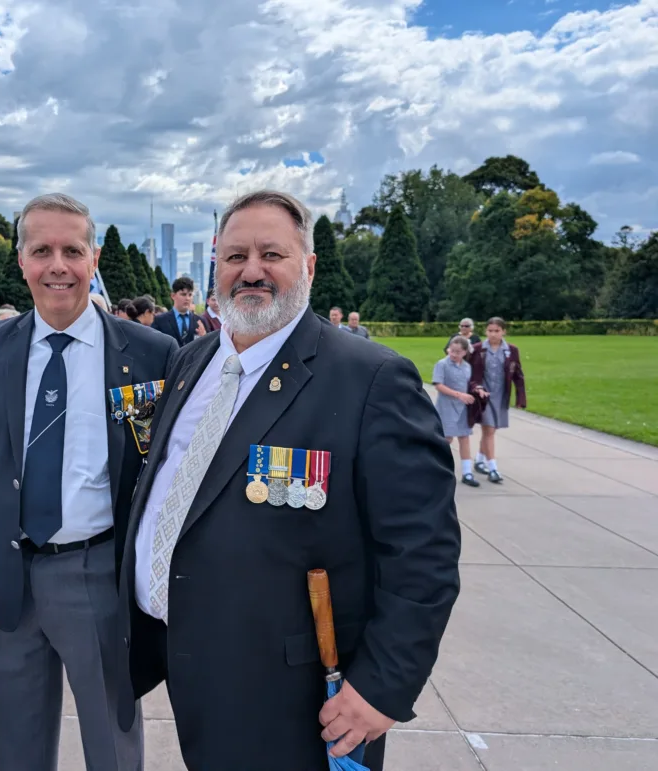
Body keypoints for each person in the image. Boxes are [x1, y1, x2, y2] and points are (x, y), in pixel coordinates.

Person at [116, 190, 461, 771]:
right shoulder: (190, 362)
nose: (251, 270)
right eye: (234, 256)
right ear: (215, 269)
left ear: (309, 265)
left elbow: (422, 553)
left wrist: (381, 687)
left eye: (271, 253)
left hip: (297, 696)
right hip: (191, 666)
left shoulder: (370, 380)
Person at [0, 193, 176, 771]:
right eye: (42, 250)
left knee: (112, 746)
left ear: (93, 259)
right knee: (17, 748)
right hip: (2, 585)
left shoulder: (150, 354)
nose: (58, 265)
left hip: (97, 575)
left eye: (72, 250)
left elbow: (172, 474)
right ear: (22, 262)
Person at [469, 316, 526, 483]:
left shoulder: (512, 350)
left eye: (497, 331)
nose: (493, 334)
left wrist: (521, 397)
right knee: (489, 430)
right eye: (490, 331)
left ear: (504, 331)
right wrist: (475, 388)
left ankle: (479, 459)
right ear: (485, 331)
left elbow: (518, 375)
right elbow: (470, 374)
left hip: (501, 395)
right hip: (484, 397)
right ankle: (493, 468)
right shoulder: (478, 349)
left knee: (490, 431)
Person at [433, 335, 484, 488]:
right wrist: (458, 395)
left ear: (464, 353)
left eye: (457, 352)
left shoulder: (467, 367)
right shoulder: (442, 364)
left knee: (464, 438)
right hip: (446, 406)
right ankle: (438, 469)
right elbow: (438, 385)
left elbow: (470, 384)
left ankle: (467, 473)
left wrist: (478, 391)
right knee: (446, 439)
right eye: (451, 350)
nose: (453, 354)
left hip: (462, 408)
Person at [151, 277, 205, 346]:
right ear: (173, 296)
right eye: (183, 294)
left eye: (190, 295)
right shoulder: (160, 320)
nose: (187, 298)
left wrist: (204, 336)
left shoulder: (200, 321)